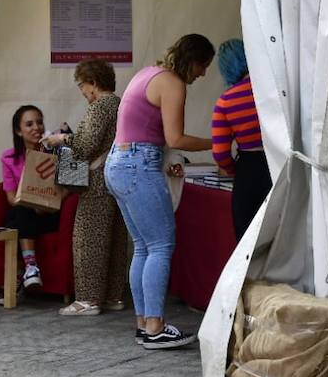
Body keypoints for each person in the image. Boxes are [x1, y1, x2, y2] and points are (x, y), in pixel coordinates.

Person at [106, 34, 215, 350]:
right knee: (161, 245)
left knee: (143, 247)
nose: (203, 74)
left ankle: (144, 323)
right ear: (192, 61)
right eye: (203, 66)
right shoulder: (173, 83)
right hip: (138, 164)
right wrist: (219, 142)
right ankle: (155, 327)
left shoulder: (147, 73)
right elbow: (176, 138)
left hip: (119, 163)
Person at [43, 59, 130, 317]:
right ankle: (114, 296)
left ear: (93, 83)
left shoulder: (99, 106)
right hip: (118, 177)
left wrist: (62, 139)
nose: (82, 91)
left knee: (89, 239)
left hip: (97, 181)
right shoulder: (119, 103)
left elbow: (85, 146)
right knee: (115, 239)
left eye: (82, 85)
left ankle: (88, 300)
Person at [210, 39, 269, 240]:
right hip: (280, 165)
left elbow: (220, 153)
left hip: (249, 171)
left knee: (248, 241)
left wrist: (233, 170)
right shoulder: (272, 90)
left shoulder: (226, 101)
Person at [1, 105, 62, 293]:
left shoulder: (56, 151)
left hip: (51, 214)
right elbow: (11, 198)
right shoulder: (9, 157)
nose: (37, 127)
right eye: (29, 124)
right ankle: (30, 268)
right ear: (19, 131)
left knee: (14, 221)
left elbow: (69, 187)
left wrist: (46, 204)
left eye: (39, 122)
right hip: (27, 212)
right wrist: (33, 202)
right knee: (19, 212)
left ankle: (24, 273)